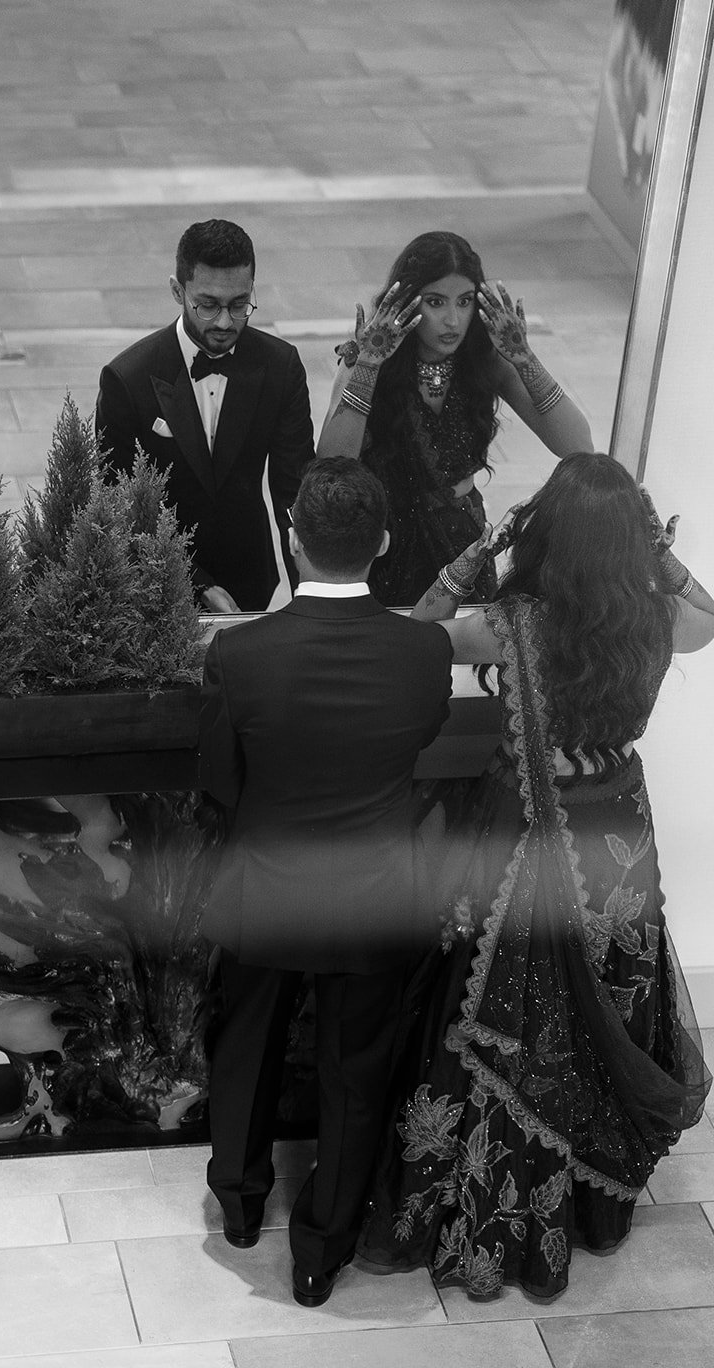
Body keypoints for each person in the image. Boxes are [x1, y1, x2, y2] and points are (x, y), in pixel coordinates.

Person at [359, 452, 713, 1300]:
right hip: (618, 835)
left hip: (528, 838)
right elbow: (709, 611)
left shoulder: (512, 625)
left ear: (547, 533)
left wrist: (485, 545)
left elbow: (420, 626)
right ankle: (586, 1210)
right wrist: (654, 549)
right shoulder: (658, 620)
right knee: (605, 1003)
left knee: (516, 1017)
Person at [198, 457, 454, 1307]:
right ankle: (319, 1253)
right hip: (374, 897)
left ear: (292, 539)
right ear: (381, 545)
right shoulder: (424, 652)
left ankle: (237, 1203)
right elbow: (421, 741)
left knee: (245, 1051)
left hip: (266, 887)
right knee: (355, 1079)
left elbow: (222, 786)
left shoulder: (241, 654)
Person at [318, 230, 592, 607]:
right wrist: (368, 365)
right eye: (436, 302)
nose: (452, 320)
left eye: (464, 302)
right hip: (384, 544)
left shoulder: (482, 360)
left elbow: (578, 447)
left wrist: (525, 360)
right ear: (408, 303)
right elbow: (333, 467)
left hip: (462, 548)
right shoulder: (369, 358)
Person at [95, 218, 315, 612]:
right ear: (178, 290)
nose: (226, 321)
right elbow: (120, 503)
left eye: (239, 304)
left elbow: (294, 488)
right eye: (208, 305)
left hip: (251, 578)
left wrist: (311, 595)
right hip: (155, 582)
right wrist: (195, 584)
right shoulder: (125, 379)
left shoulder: (280, 366)